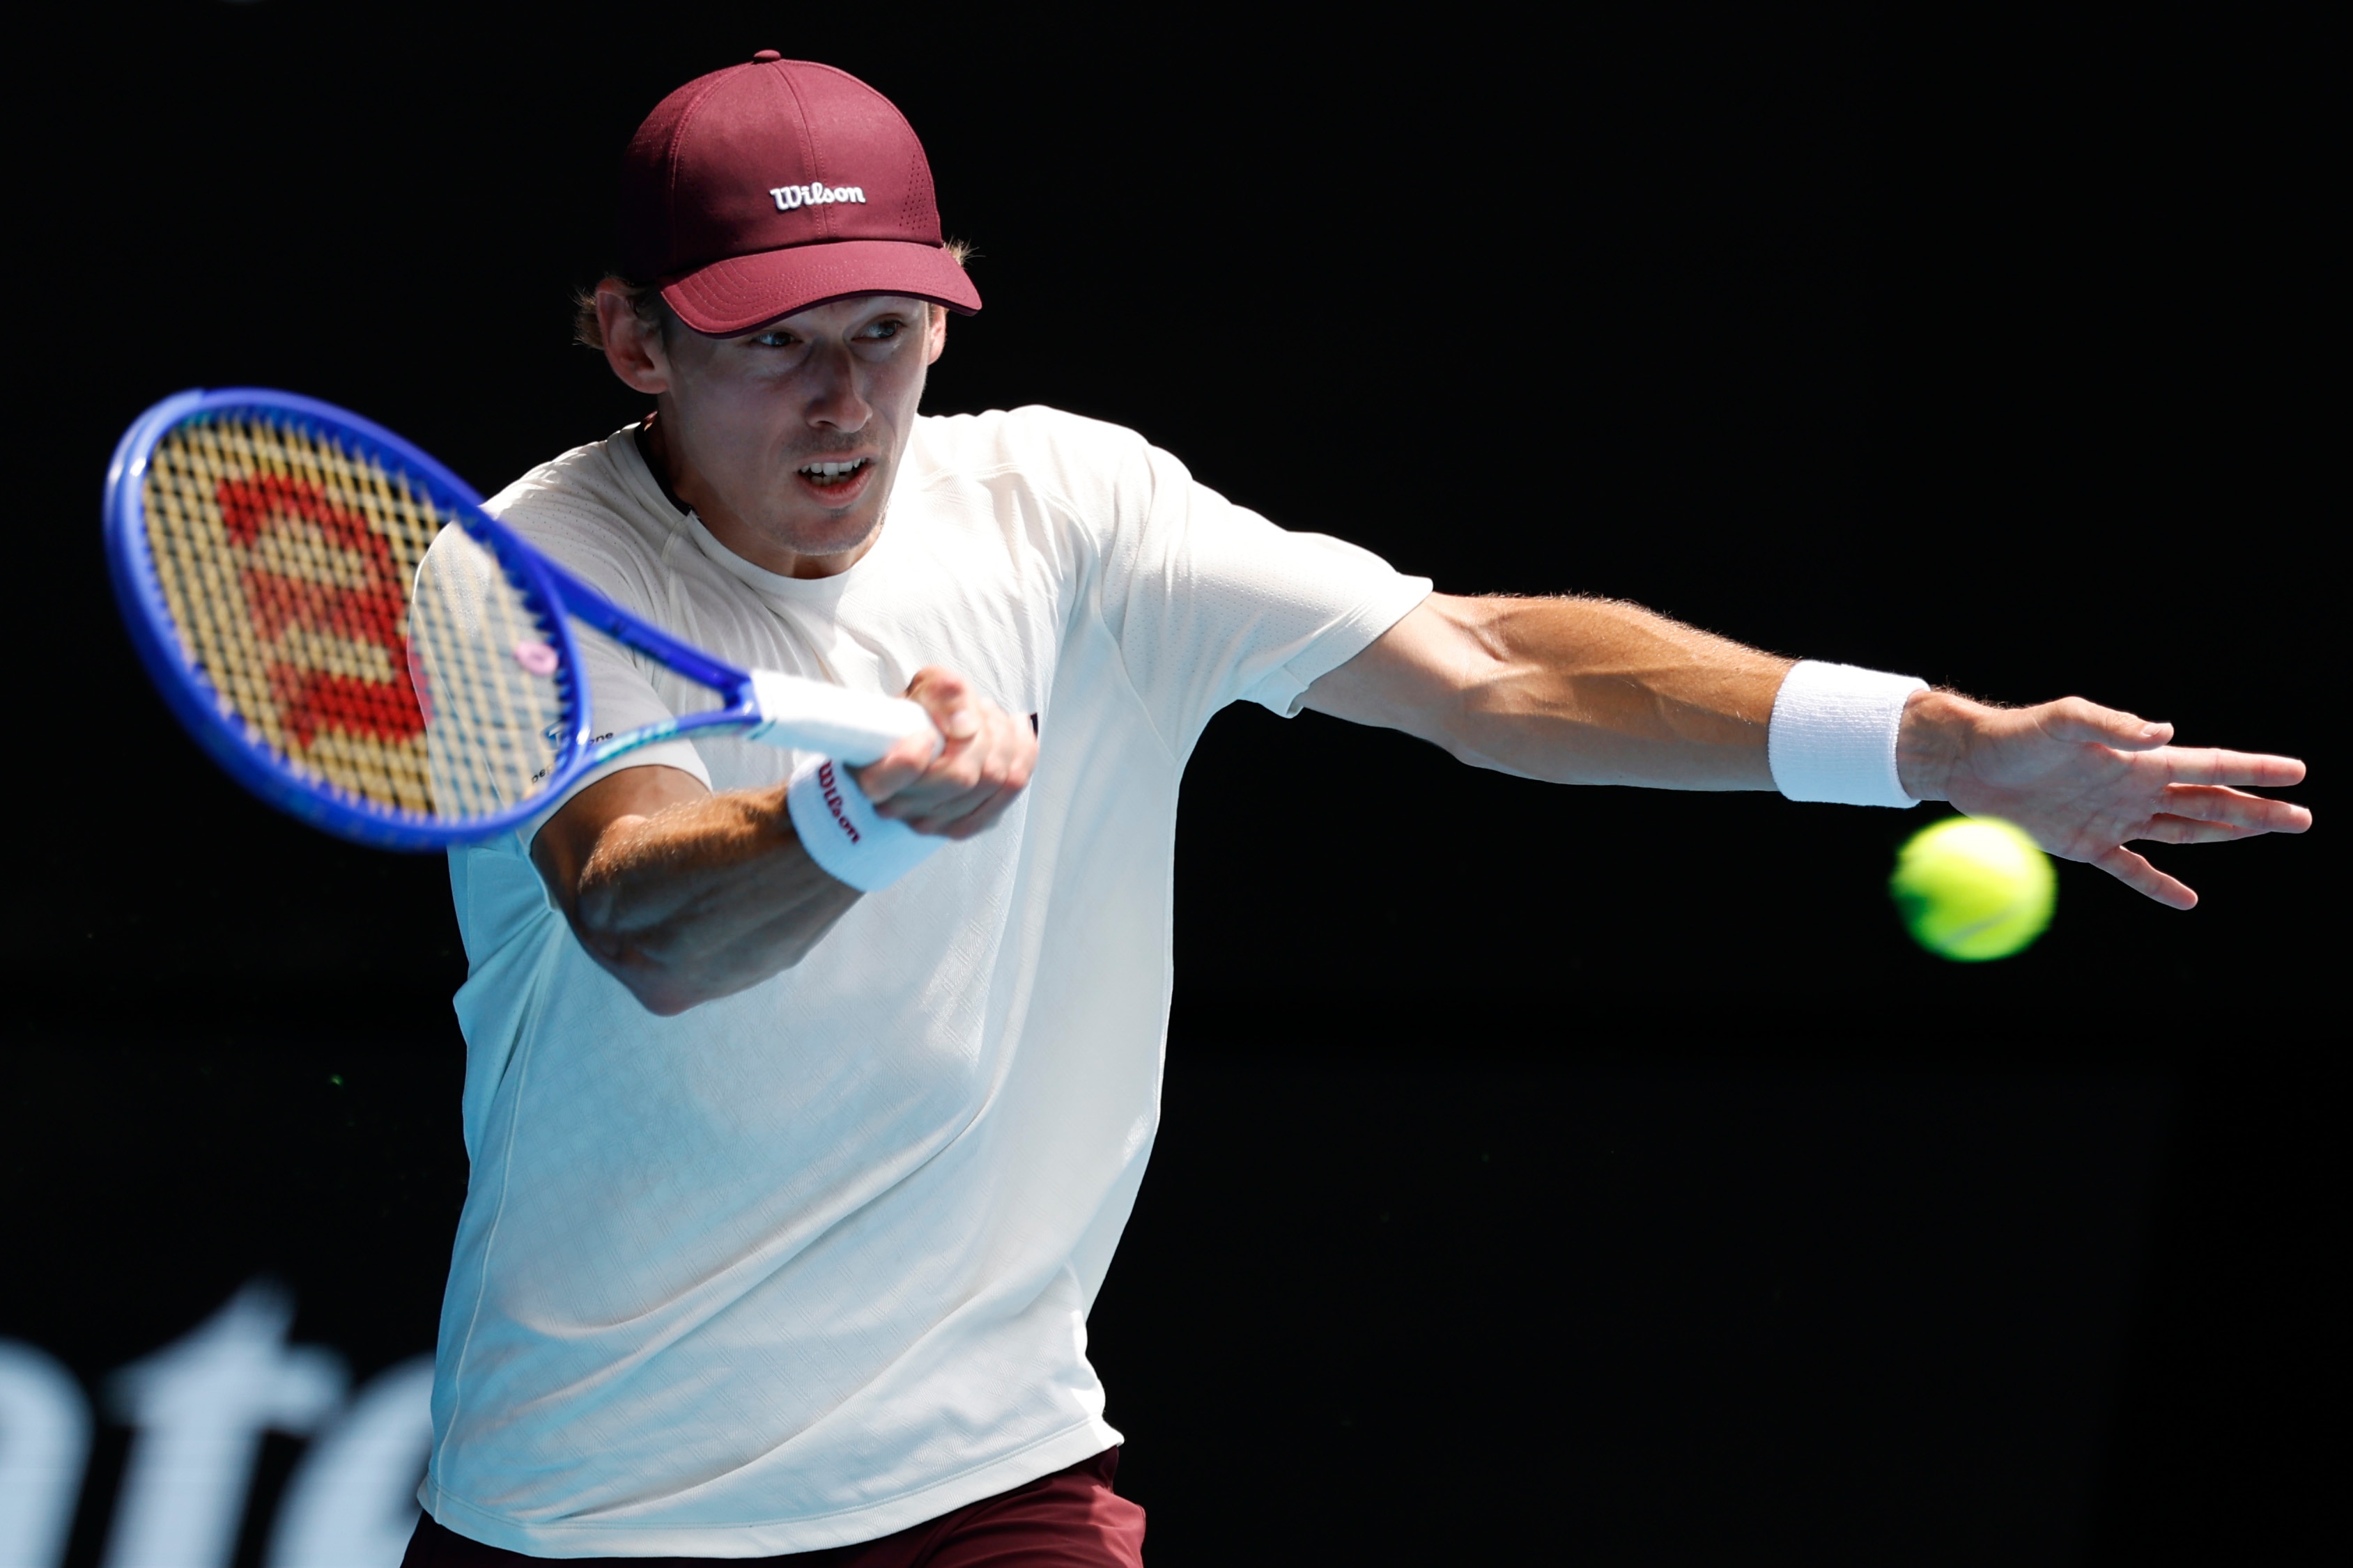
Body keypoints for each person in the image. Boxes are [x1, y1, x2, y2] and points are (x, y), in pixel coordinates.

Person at [402, 54, 2310, 1567]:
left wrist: (1933, 740)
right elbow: (641, 913)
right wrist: (858, 826)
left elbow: (1486, 668)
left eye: (884, 329)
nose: (843, 402)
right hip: (594, 1507)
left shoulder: (1072, 508)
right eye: (773, 341)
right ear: (635, 338)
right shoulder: (517, 578)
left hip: (981, 1474)